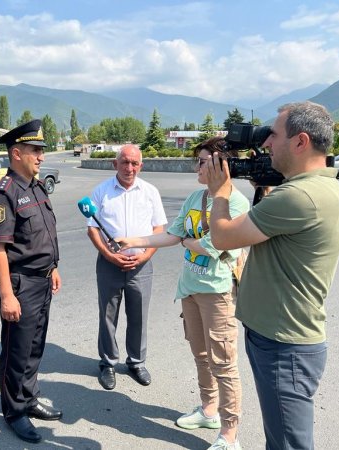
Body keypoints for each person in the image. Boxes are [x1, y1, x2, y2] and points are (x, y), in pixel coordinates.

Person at [205, 101, 339, 450]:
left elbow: (223, 237)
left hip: (284, 344)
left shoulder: (299, 196)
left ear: (300, 142)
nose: (266, 143)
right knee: (282, 439)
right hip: (282, 336)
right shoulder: (320, 187)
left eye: (273, 135)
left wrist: (220, 192)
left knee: (288, 443)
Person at [117, 137, 249, 450]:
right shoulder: (195, 197)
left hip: (218, 293)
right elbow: (173, 234)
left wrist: (189, 243)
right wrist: (133, 240)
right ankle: (208, 410)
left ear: (221, 165)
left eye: (203, 161)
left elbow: (213, 245)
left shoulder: (237, 202)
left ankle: (230, 434)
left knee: (224, 362)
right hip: (190, 289)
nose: (197, 167)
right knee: (201, 356)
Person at [0, 119, 62, 444]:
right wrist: (6, 295)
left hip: (42, 282)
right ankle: (14, 412)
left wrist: (53, 267)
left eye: (41, 150)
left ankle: (29, 398)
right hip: (20, 286)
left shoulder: (36, 187)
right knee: (16, 351)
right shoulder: (4, 194)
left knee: (35, 347)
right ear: (16, 153)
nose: (41, 156)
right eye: (35, 150)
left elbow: (42, 236)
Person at [86, 144, 167, 391]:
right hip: (109, 264)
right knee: (108, 315)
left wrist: (144, 256)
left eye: (134, 163)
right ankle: (108, 362)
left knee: (139, 315)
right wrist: (109, 256)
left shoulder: (150, 192)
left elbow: (159, 229)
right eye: (124, 162)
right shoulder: (101, 192)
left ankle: (136, 362)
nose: (129, 168)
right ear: (115, 164)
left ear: (141, 166)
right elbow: (92, 228)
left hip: (141, 265)